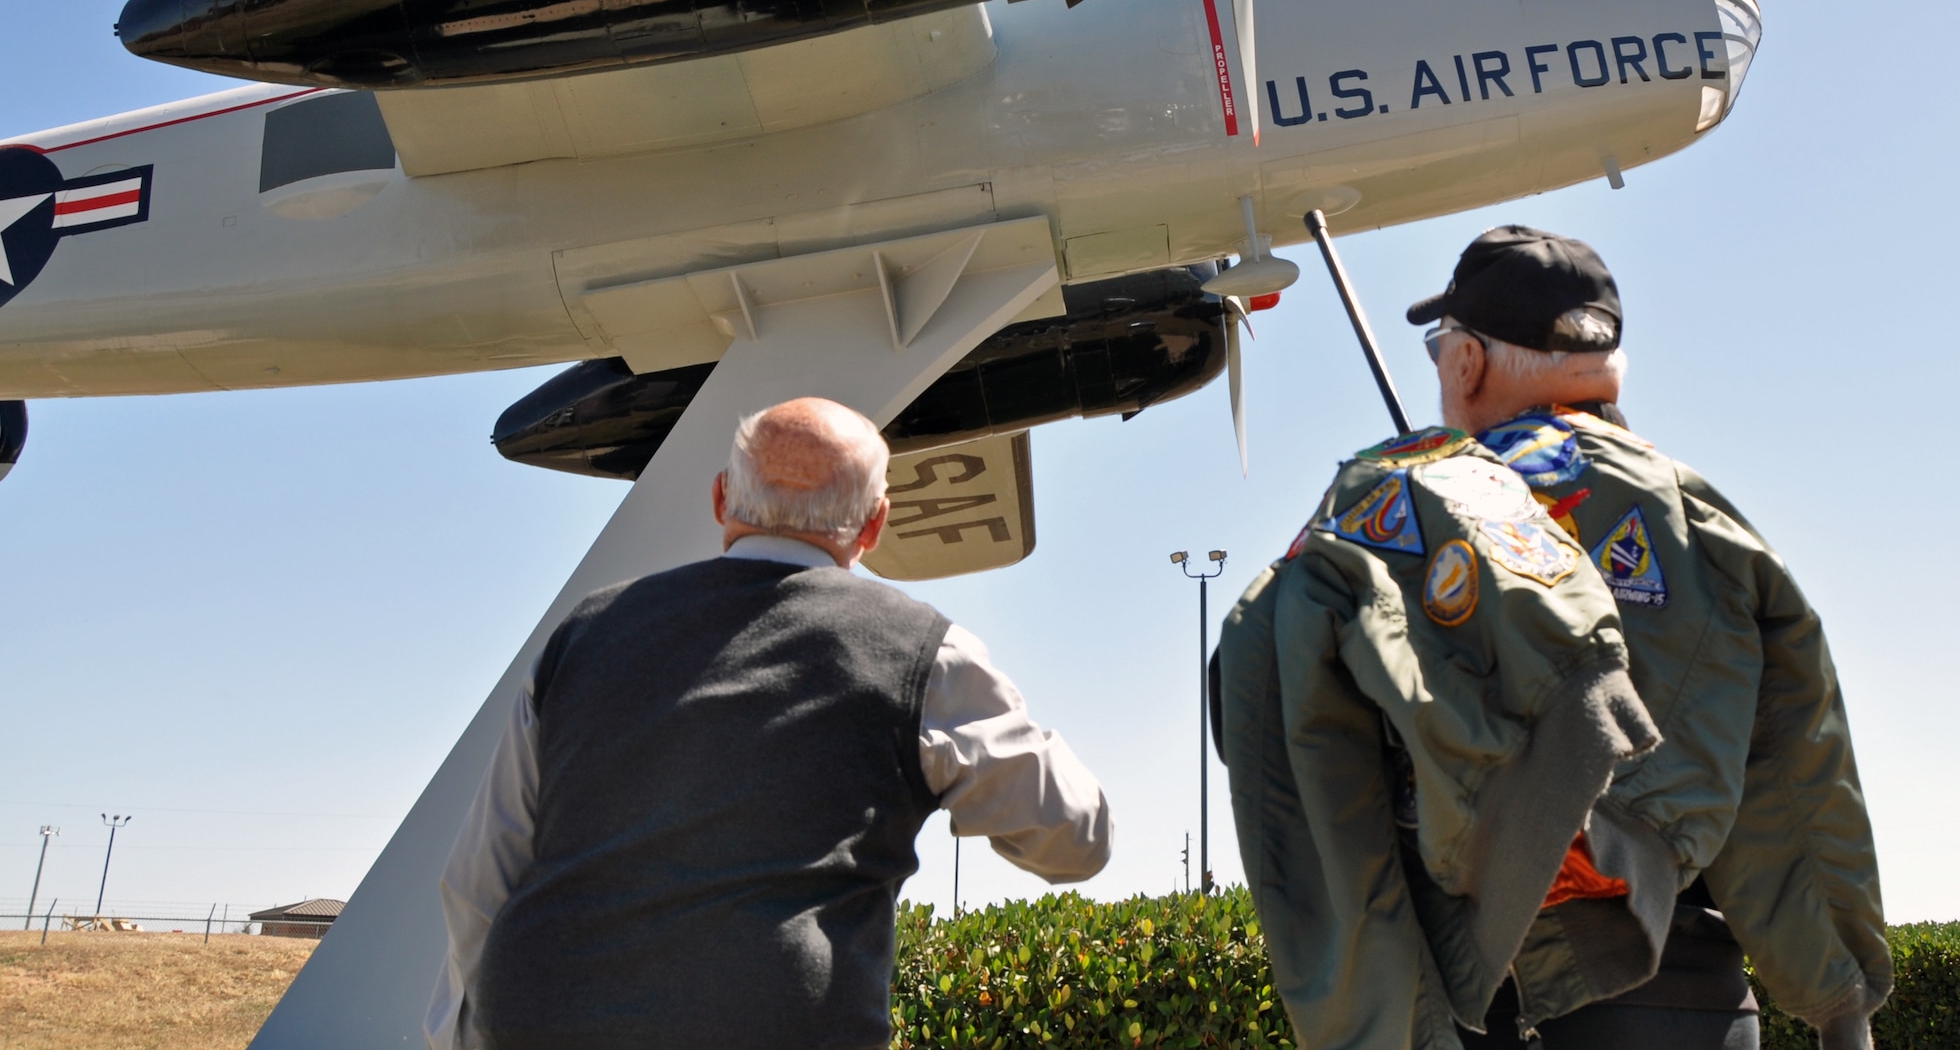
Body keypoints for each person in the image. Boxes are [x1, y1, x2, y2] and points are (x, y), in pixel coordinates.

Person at [1221, 225, 1885, 1050]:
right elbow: (1795, 779)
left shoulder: (1388, 510)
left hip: (1491, 1003)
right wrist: (1839, 1000)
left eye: (1442, 349)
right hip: (1694, 1003)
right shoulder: (1700, 518)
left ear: (1467, 362)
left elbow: (1289, 742)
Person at [425, 396, 1111, 1050]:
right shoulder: (924, 653)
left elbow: (479, 875)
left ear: (722, 498)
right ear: (874, 525)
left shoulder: (582, 635)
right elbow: (1075, 839)